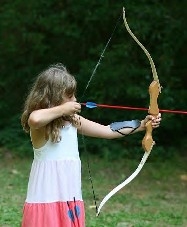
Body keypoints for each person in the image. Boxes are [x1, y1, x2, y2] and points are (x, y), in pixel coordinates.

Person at [21, 63, 161, 227]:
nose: (74, 100)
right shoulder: (40, 125)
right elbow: (34, 119)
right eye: (70, 96)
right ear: (54, 98)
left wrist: (142, 125)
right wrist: (63, 109)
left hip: (69, 196)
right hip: (45, 197)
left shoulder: (73, 121)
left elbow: (108, 130)